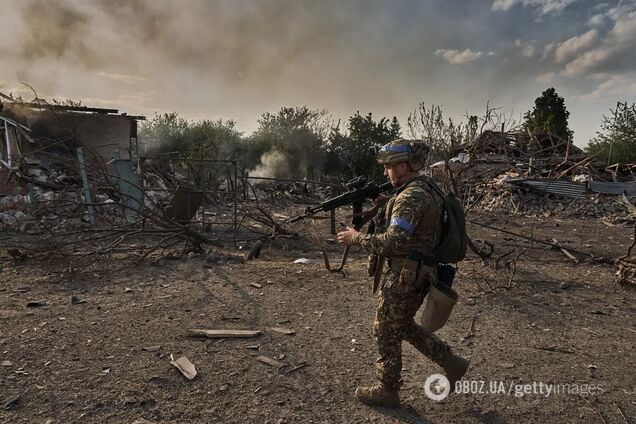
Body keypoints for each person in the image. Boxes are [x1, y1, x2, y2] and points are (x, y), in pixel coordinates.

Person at [337, 138, 469, 408]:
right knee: (403, 325)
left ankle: (387, 390)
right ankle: (451, 362)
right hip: (419, 272)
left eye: (389, 167)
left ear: (404, 166)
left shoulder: (411, 195)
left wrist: (356, 238)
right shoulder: (425, 188)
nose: (386, 172)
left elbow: (394, 241)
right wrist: (386, 204)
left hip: (405, 275)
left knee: (385, 330)